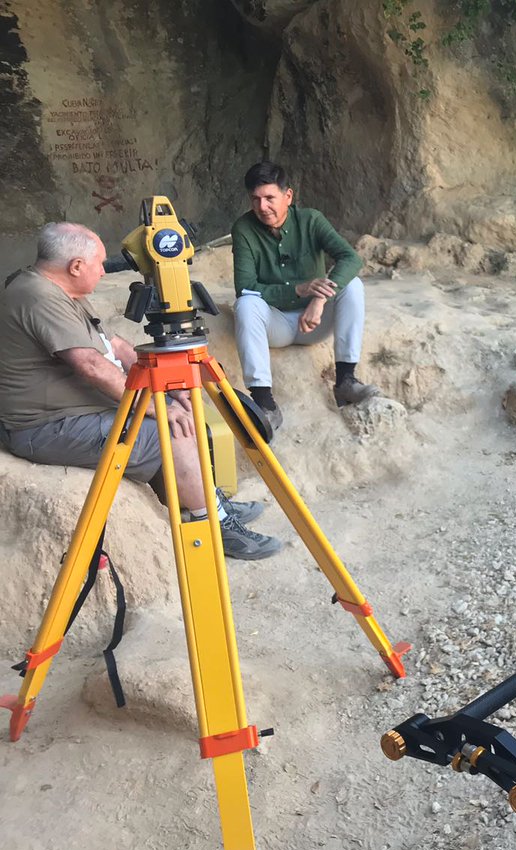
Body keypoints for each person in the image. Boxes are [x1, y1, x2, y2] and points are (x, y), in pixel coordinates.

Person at [0, 223, 282, 561]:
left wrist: (163, 385)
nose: (104, 272)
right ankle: (213, 524)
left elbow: (112, 345)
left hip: (72, 413)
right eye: (99, 264)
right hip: (44, 426)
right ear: (75, 266)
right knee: (169, 429)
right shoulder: (40, 297)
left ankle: (210, 500)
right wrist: (151, 406)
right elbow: (90, 365)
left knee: (177, 410)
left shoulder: (61, 292)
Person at [231, 161, 379, 431]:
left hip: (315, 321)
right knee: (245, 304)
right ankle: (265, 404)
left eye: (269, 198)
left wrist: (319, 299)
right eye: (255, 199)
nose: (262, 207)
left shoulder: (311, 219)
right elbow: (245, 286)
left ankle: (345, 381)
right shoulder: (243, 228)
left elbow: (350, 258)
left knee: (353, 285)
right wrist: (296, 289)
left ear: (288, 196)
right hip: (275, 324)